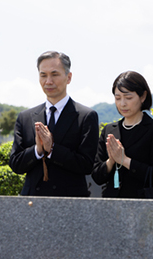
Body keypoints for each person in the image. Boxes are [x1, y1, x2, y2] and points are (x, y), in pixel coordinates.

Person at [9, 51, 99, 196]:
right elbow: (16, 164)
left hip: (70, 201)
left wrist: (52, 149)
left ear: (68, 77)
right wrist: (37, 150)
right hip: (31, 201)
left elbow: (87, 165)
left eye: (54, 74)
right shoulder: (25, 117)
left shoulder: (86, 116)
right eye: (43, 75)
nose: (48, 81)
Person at [91, 71, 153, 198]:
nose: (122, 103)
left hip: (142, 203)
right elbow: (97, 176)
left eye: (128, 98)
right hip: (111, 204)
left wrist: (125, 160)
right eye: (118, 98)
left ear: (143, 96)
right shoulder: (109, 130)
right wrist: (111, 161)